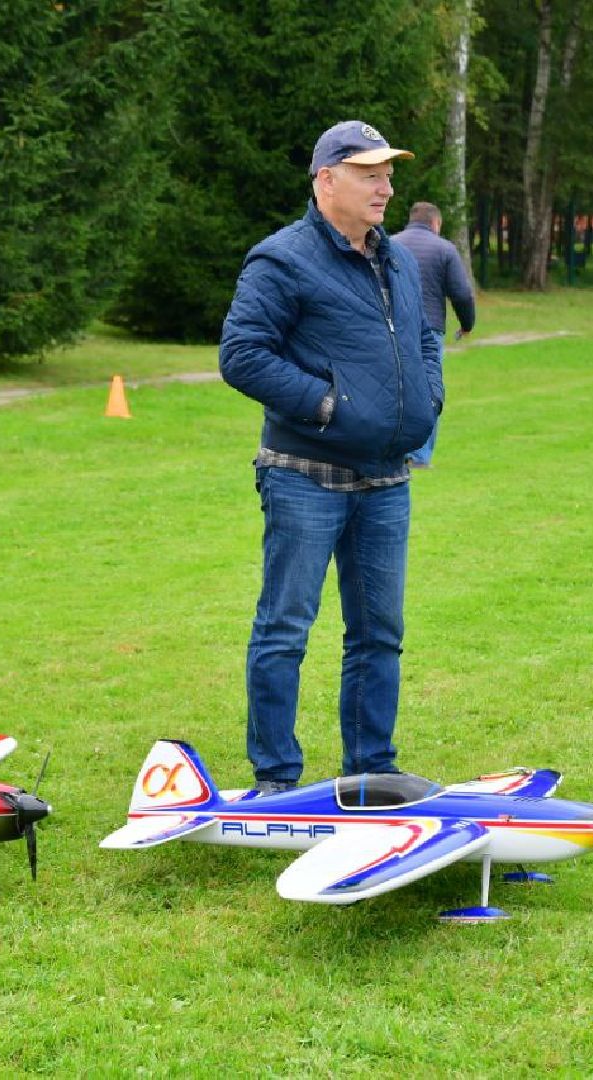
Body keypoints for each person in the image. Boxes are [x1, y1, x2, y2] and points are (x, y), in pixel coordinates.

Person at [218, 120, 443, 793]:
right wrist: (325, 406)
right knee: (285, 629)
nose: (386, 186)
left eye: (388, 174)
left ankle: (371, 772)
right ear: (326, 181)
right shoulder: (280, 260)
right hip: (303, 480)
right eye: (369, 174)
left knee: (378, 634)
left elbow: (425, 339)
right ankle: (277, 781)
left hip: (385, 481)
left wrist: (427, 399)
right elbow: (241, 355)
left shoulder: (395, 257)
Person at [390, 201, 475, 467]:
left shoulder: (390, 244)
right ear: (436, 223)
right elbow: (461, 293)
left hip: (392, 328)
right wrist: (467, 324)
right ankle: (419, 455)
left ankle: (391, 449)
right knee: (428, 390)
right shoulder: (445, 249)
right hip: (430, 330)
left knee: (393, 388)